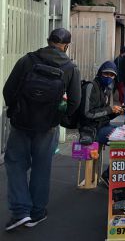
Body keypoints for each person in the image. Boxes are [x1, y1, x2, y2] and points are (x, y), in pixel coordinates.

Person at [3, 28, 81, 230]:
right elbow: (75, 101)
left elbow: (8, 89)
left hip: (21, 123)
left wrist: (16, 110)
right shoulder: (70, 68)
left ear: (48, 40)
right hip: (47, 126)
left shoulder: (27, 60)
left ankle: (20, 211)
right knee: (41, 166)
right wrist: (59, 118)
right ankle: (37, 213)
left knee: (15, 163)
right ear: (66, 45)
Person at [78, 61, 123, 186]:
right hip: (91, 129)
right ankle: (108, 175)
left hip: (103, 125)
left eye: (112, 75)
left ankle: (111, 174)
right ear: (100, 73)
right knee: (124, 141)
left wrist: (116, 112)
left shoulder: (106, 89)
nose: (109, 77)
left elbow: (104, 114)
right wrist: (109, 109)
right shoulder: (90, 87)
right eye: (106, 74)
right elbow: (87, 113)